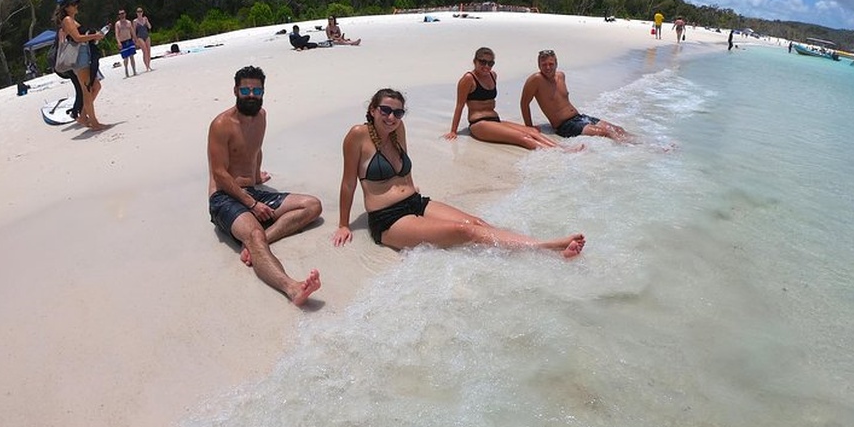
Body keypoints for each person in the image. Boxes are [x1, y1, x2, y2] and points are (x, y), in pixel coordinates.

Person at [332, 88, 586, 258]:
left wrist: (410, 187)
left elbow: (403, 169)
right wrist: (344, 224)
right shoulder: (358, 136)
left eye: (397, 112)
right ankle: (546, 248)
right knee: (464, 233)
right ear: (373, 110)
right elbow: (347, 184)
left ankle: (522, 246)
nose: (391, 117)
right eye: (385, 110)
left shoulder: (399, 130)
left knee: (476, 223)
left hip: (414, 202)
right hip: (388, 220)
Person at [207, 66, 322, 306]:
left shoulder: (261, 117)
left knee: (312, 206)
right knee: (254, 233)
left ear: (263, 91)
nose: (251, 94)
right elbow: (219, 173)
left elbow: (255, 149)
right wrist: (252, 204)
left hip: (252, 192)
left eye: (256, 89)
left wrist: (257, 178)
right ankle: (292, 288)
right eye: (246, 89)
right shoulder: (221, 124)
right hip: (224, 197)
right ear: (236, 90)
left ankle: (257, 244)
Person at [444, 47, 561, 150]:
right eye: (483, 62)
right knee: (523, 138)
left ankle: (562, 148)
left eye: (490, 63)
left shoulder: (493, 75)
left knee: (532, 131)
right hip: (479, 124)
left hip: (495, 120)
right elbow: (459, 106)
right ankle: (557, 154)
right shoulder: (468, 79)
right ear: (475, 61)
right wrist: (453, 131)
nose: (486, 66)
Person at [520, 49, 632, 143]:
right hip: (565, 126)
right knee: (605, 133)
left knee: (617, 129)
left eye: (551, 64)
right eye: (544, 65)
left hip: (579, 117)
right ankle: (628, 152)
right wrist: (529, 128)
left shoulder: (561, 76)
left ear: (556, 64)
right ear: (539, 65)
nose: (548, 68)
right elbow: (524, 103)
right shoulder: (536, 80)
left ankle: (642, 145)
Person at [55, 0, 107, 130]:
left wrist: (94, 36)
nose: (76, 6)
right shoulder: (67, 20)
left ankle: (83, 116)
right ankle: (94, 122)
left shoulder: (72, 20)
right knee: (88, 89)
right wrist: (95, 36)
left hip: (84, 54)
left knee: (96, 86)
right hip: (79, 57)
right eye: (73, 4)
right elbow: (77, 38)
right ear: (67, 8)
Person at [114, 9, 137, 77]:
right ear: (119, 15)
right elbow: (117, 34)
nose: (122, 15)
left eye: (123, 13)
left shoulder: (128, 22)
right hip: (123, 42)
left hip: (129, 40)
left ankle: (134, 70)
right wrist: (119, 42)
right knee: (125, 58)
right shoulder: (117, 24)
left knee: (132, 56)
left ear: (125, 14)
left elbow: (132, 32)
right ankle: (126, 70)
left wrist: (135, 40)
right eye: (120, 14)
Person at [133, 7, 152, 71]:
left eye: (140, 11)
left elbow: (149, 27)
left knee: (149, 51)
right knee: (145, 51)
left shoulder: (145, 19)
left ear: (142, 12)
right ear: (136, 13)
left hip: (146, 35)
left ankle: (149, 65)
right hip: (140, 37)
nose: (139, 13)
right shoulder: (135, 21)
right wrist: (135, 40)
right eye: (138, 12)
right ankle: (146, 66)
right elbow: (134, 31)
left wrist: (147, 21)